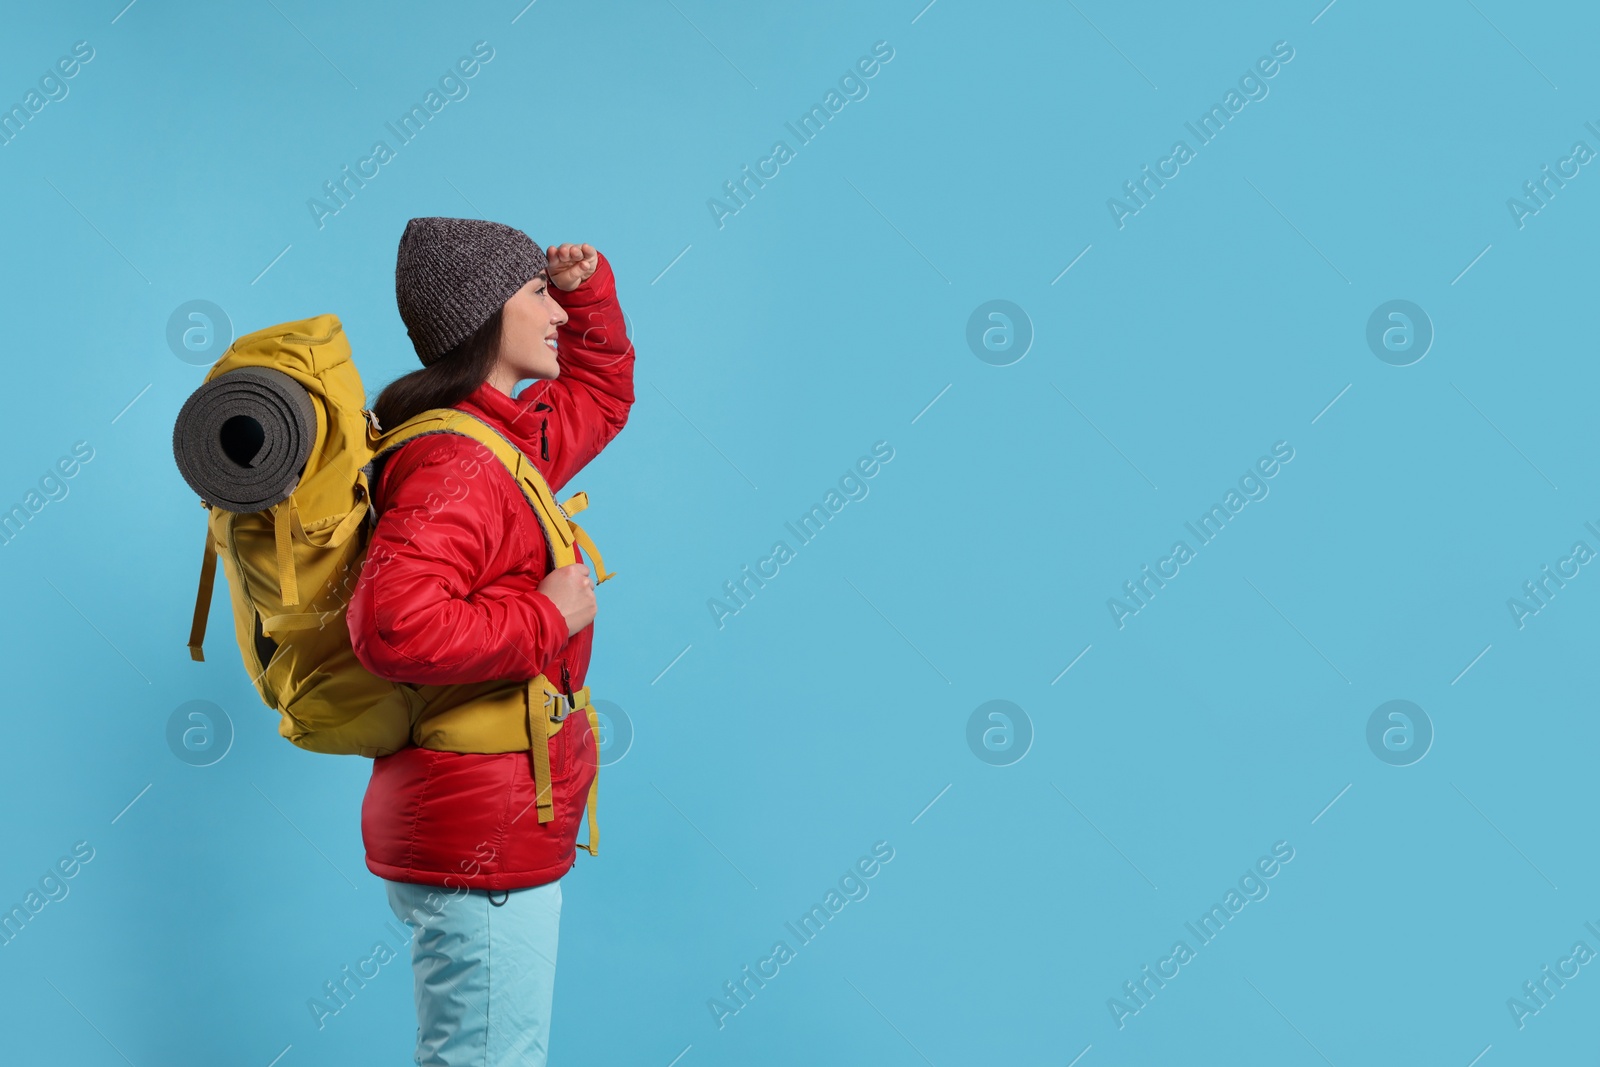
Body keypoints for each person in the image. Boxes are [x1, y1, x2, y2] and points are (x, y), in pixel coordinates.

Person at [346, 216, 634, 1066]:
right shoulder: (461, 464)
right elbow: (393, 625)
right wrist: (550, 615)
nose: (557, 315)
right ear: (482, 317)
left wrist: (589, 295)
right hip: (481, 833)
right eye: (540, 295)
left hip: (487, 819)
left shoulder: (503, 435)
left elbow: (600, 398)